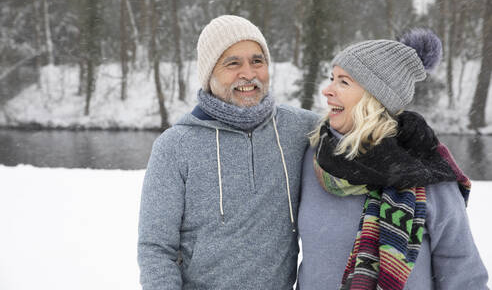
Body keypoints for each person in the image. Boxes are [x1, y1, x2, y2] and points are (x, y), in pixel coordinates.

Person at [297, 29, 489, 289]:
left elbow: (462, 272)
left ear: (374, 97)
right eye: (332, 78)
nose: (327, 90)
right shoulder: (313, 158)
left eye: (344, 81)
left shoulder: (424, 169)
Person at [137, 15, 319, 289]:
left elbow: (362, 131)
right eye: (232, 63)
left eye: (257, 61)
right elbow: (156, 249)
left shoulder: (302, 129)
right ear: (209, 74)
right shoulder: (175, 145)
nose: (248, 73)